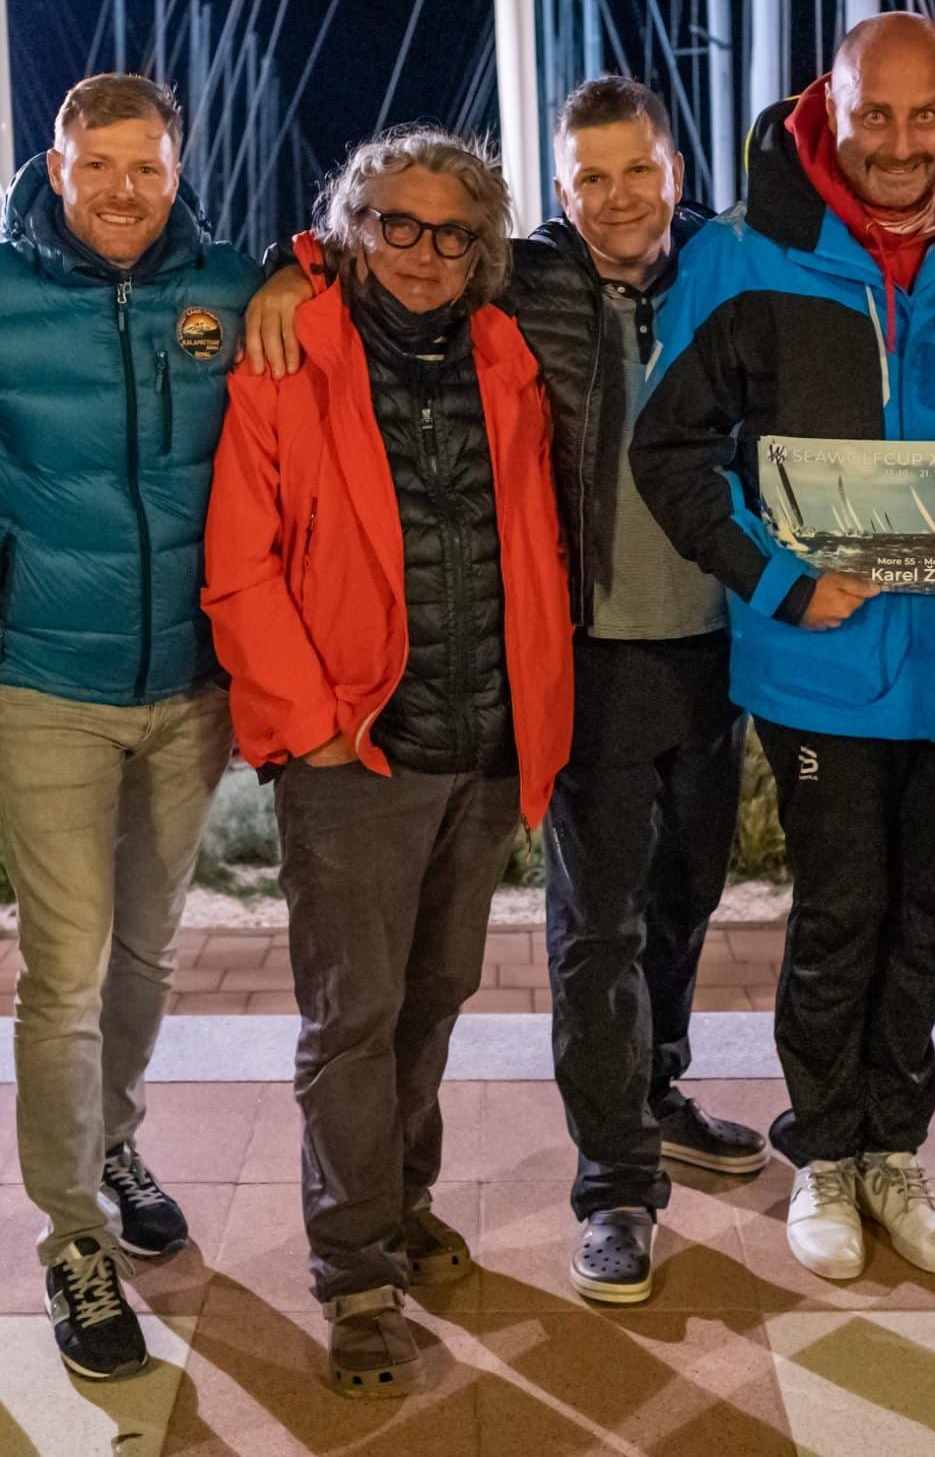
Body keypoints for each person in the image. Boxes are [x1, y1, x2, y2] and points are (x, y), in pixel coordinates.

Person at [235, 76, 766, 1306]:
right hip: (585, 655)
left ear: (676, 173)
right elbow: (367, 247)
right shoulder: (522, 284)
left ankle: (650, 1092)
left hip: (716, 647)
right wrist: (285, 267)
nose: (617, 198)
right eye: (589, 179)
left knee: (680, 899)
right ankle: (611, 1182)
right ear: (560, 193)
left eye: (637, 171)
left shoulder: (725, 268)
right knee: (593, 930)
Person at [630, 11, 935, 1285]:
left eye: (928, 115)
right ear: (830, 105)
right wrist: (778, 581)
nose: (900, 144)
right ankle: (824, 1151)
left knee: (930, 921)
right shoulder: (743, 254)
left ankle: (892, 1151)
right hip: (818, 666)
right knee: (842, 913)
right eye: (875, 115)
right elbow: (666, 450)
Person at [202, 126, 573, 1395]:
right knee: (352, 1019)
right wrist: (310, 725)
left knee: (435, 994)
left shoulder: (505, 351)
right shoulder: (290, 351)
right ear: (351, 233)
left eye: (452, 234)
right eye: (396, 226)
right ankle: (354, 1270)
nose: (423, 253)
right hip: (354, 746)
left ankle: (401, 1201)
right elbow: (239, 565)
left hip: (485, 740)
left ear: (483, 250)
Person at [0, 75, 256, 1379]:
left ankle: (115, 1139)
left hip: (190, 688)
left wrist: (297, 280)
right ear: (54, 167)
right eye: (99, 165)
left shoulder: (230, 287)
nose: (124, 190)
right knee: (63, 973)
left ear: (179, 170)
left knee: (149, 949)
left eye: (148, 167)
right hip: (48, 685)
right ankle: (70, 1234)